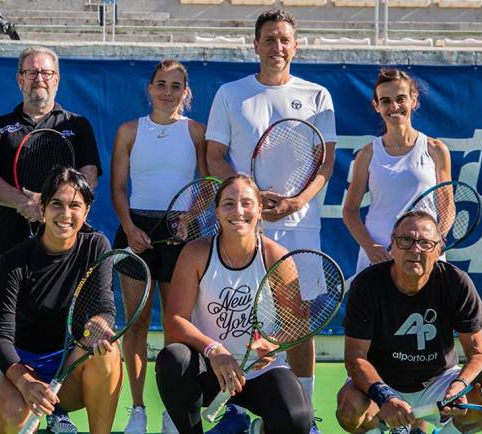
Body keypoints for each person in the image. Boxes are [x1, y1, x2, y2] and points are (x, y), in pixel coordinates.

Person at [204, 8, 336, 433]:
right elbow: (214, 156)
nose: (277, 47)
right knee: (239, 314)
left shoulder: (318, 95)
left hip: (300, 225)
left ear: (294, 45)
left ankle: (305, 409)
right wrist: (251, 199)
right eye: (269, 39)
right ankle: (238, 408)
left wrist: (297, 200)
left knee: (297, 319)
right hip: (245, 224)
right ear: (255, 44)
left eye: (284, 39)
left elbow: (325, 165)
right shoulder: (230, 93)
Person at [156, 174, 313, 434]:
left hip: (260, 372)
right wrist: (215, 350)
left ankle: (262, 428)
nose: (238, 211)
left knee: (296, 421)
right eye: (228, 204)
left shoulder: (277, 257)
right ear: (216, 212)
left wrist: (274, 342)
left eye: (247, 203)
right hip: (210, 370)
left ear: (260, 210)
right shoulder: (196, 253)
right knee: (173, 360)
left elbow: (296, 324)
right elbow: (175, 320)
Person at [110, 58, 208, 434]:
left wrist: (190, 218)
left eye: (176, 86)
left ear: (186, 92)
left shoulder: (197, 132)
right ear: (150, 89)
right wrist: (129, 226)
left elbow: (207, 183)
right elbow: (118, 188)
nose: (168, 92)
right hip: (137, 230)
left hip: (180, 235)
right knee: (134, 326)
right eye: (161, 84)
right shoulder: (129, 131)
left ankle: (173, 409)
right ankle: (137, 410)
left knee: (175, 328)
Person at [336, 211, 482, 434]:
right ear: (392, 246)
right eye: (406, 241)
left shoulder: (456, 282)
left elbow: (478, 353)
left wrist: (459, 387)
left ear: (438, 250)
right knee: (349, 408)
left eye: (425, 243)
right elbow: (355, 358)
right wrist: (385, 396)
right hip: (382, 380)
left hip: (439, 380)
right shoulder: (367, 285)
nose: (415, 250)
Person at [0, 167, 122, 434]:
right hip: (22, 365)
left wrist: (99, 323)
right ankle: (38, 414)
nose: (65, 214)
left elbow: (104, 308)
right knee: (11, 420)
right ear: (42, 210)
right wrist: (26, 383)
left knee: (107, 352)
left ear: (86, 212)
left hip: (70, 367)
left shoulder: (97, 246)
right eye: (56, 204)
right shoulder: (13, 261)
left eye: (75, 205)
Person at [0, 46, 103, 258]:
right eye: (31, 72)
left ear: (56, 79)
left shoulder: (78, 124)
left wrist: (51, 204)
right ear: (20, 79)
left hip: (66, 239)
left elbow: (89, 176)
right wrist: (23, 202)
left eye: (47, 73)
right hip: (13, 240)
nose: (39, 78)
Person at [342, 69, 452, 279]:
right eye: (386, 101)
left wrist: (437, 241)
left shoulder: (436, 150)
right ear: (377, 106)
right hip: (378, 257)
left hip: (424, 254)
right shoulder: (367, 154)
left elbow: (446, 205)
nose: (394, 107)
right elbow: (350, 211)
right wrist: (370, 247)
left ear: (413, 100)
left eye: (401, 99)